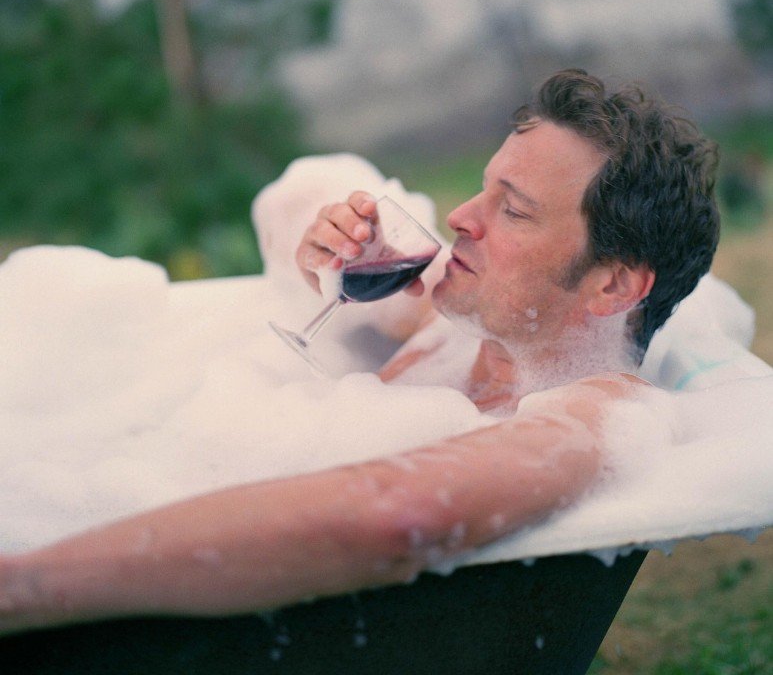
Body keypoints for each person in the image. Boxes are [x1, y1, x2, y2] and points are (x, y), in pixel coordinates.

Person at [0, 69, 720, 635]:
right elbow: (300, 199)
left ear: (613, 285)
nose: (461, 217)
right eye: (483, 189)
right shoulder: (465, 331)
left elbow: (396, 513)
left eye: (513, 209)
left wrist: (25, 585)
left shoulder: (592, 422)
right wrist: (322, 249)